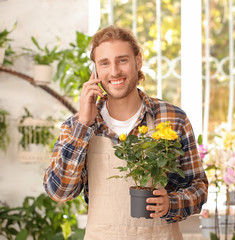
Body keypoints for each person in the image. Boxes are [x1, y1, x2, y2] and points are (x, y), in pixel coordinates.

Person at [43, 25, 208, 240]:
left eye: (122, 60)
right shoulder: (77, 126)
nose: (114, 71)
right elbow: (59, 192)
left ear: (137, 61)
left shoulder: (173, 118)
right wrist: (84, 124)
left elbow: (199, 187)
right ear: (95, 71)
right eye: (105, 63)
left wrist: (171, 203)